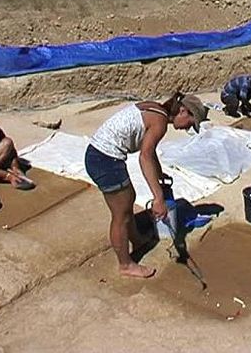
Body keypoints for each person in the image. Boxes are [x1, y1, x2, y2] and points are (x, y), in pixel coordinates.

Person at [85, 92, 208, 279]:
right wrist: (158, 198)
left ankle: (137, 239)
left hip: (100, 154)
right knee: (121, 215)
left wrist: (159, 175)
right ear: (183, 111)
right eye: (191, 123)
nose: (187, 129)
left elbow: (150, 152)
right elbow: (145, 157)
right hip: (104, 159)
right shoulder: (160, 123)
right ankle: (126, 265)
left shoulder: (156, 110)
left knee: (129, 200)